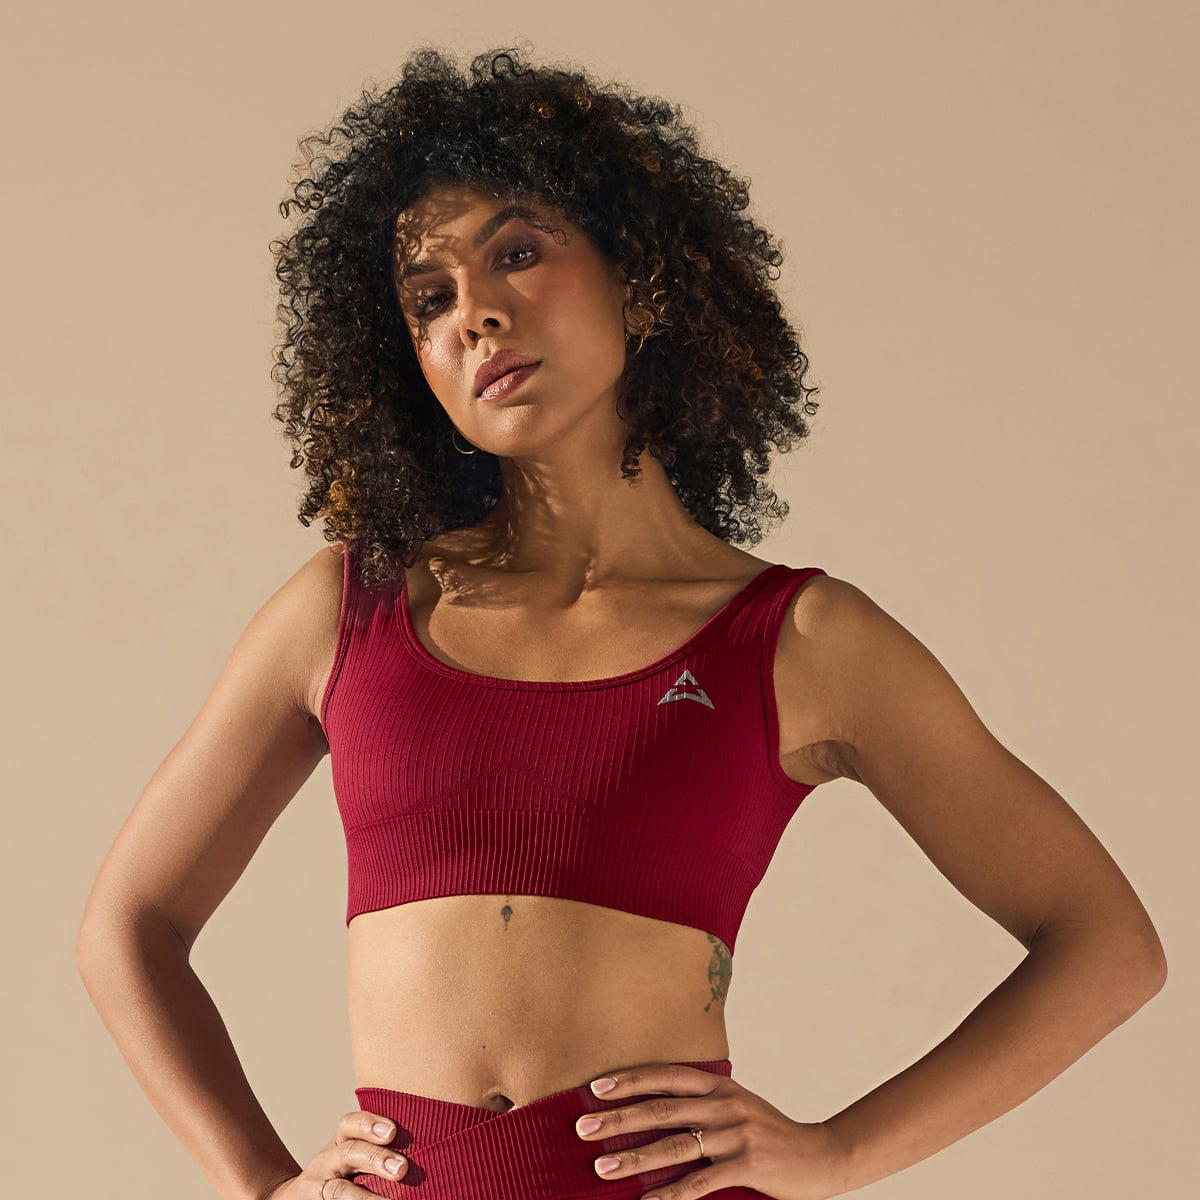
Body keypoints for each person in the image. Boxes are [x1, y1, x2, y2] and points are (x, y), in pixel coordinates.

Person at [76, 43, 1166, 1200]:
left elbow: (1107, 946)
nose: (476, 314)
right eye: (430, 299)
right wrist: (261, 1184)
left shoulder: (795, 641)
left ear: (638, 281)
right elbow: (128, 926)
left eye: (518, 253)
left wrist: (839, 1152)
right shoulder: (349, 611)